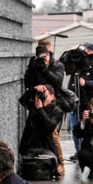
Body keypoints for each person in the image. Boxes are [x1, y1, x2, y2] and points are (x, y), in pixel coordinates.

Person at [24, 41, 67, 176]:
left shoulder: (57, 65)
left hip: (53, 103)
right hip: (38, 104)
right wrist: (31, 68)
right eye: (40, 57)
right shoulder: (35, 65)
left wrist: (44, 70)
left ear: (49, 55)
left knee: (52, 135)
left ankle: (60, 164)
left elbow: (57, 82)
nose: (43, 60)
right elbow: (28, 83)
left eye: (45, 57)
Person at [65, 42, 93, 160]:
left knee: (88, 130)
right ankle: (78, 151)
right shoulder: (76, 66)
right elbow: (64, 64)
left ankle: (89, 152)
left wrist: (86, 83)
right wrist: (70, 53)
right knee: (75, 128)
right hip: (74, 102)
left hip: (88, 102)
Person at [18, 84, 64, 173]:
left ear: (52, 97)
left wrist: (40, 109)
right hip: (29, 145)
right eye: (41, 93)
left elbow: (50, 126)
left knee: (46, 166)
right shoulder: (35, 103)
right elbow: (22, 100)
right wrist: (33, 89)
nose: (43, 95)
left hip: (45, 146)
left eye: (45, 93)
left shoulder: (57, 111)